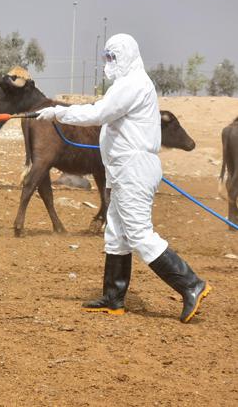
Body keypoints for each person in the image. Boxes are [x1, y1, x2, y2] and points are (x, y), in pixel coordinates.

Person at [36, 33, 211, 323]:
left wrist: (58, 112)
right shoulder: (126, 85)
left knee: (140, 233)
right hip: (122, 169)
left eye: (113, 57)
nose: (108, 63)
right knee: (116, 233)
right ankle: (113, 297)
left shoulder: (133, 84)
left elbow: (100, 112)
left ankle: (191, 283)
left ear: (127, 56)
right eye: (107, 57)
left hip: (134, 169)